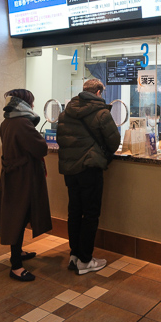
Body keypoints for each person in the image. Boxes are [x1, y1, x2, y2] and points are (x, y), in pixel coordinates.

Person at [57, 78, 121, 275]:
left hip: (70, 170)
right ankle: (86, 260)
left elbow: (61, 139)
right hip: (90, 169)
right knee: (90, 214)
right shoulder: (102, 113)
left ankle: (74, 255)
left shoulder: (65, 113)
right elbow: (114, 142)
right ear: (99, 93)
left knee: (74, 212)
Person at [0, 89, 53, 282]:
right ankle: (16, 266)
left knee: (15, 216)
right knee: (18, 219)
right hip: (23, 178)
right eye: (32, 102)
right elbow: (41, 148)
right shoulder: (22, 123)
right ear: (25, 102)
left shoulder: (7, 121)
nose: (33, 105)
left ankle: (18, 253)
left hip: (13, 176)